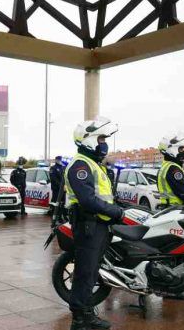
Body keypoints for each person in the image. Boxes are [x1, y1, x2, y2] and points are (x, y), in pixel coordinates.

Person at [65, 118, 124, 330]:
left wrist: (116, 207)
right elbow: (88, 200)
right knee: (85, 272)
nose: (103, 143)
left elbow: (103, 196)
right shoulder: (80, 165)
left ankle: (87, 314)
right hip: (88, 225)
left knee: (91, 273)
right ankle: (79, 320)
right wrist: (115, 212)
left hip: (98, 225)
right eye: (100, 139)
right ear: (88, 140)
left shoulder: (93, 164)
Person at [156, 133, 184, 210]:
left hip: (168, 206)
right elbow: (183, 193)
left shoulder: (165, 166)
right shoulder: (173, 169)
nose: (183, 152)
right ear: (172, 150)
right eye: (180, 149)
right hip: (176, 208)